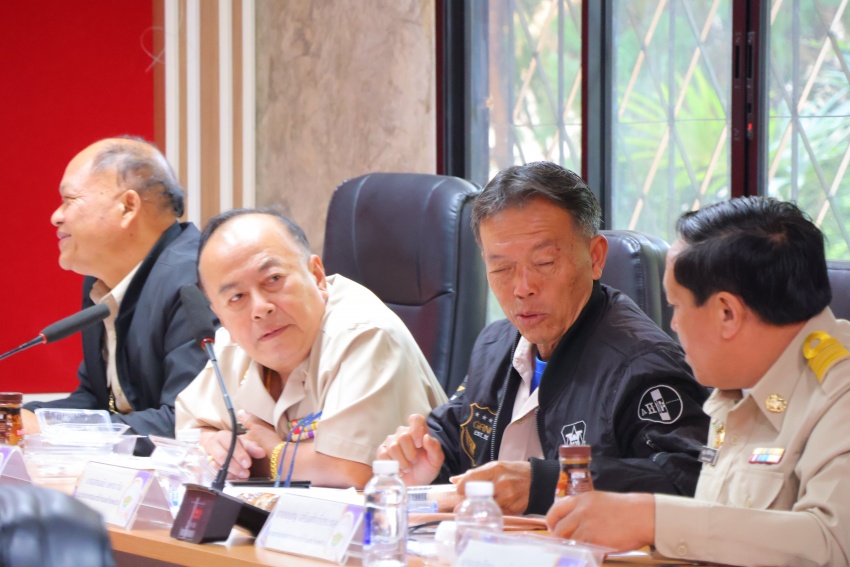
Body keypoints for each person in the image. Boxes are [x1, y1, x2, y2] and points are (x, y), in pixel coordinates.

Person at [378, 162, 709, 515]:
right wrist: (424, 461)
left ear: (595, 257)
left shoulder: (643, 365)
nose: (522, 288)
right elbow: (455, 437)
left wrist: (550, 484)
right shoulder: (494, 345)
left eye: (545, 262)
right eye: (501, 268)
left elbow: (690, 479)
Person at [546, 197, 850, 566]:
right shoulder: (738, 384)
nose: (673, 325)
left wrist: (653, 519)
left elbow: (833, 544)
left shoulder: (839, 391)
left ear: (727, 312)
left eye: (676, 306)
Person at [175, 209, 448, 489]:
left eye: (273, 279)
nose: (260, 308)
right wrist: (216, 444)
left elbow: (353, 471)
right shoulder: (233, 344)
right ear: (221, 317)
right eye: (236, 297)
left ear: (317, 276)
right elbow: (186, 433)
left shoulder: (365, 333)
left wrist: (267, 455)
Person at [24, 137, 212, 453]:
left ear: (127, 207)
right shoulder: (101, 285)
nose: (56, 216)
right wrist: (19, 418)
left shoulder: (195, 280)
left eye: (69, 200)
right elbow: (98, 400)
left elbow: (184, 424)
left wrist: (47, 431)